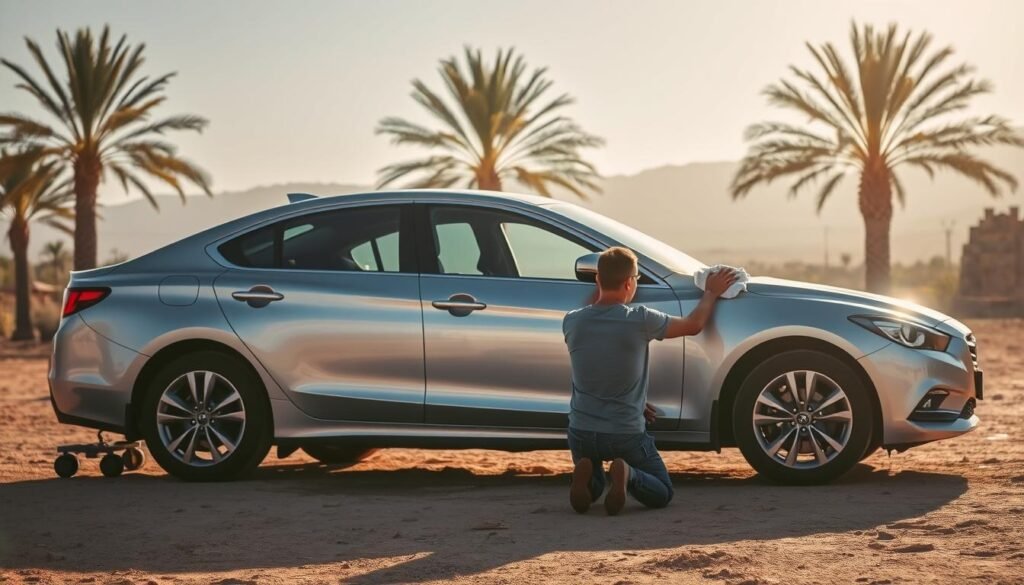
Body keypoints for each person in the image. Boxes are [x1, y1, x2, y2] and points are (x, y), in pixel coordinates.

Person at [562, 246, 738, 515]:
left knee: (594, 488)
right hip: (624, 432)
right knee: (662, 491)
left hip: (581, 431)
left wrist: (639, 401)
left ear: (598, 279)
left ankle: (587, 470)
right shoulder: (640, 319)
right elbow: (693, 325)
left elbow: (598, 367)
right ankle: (628, 473)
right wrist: (711, 292)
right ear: (629, 283)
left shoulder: (572, 321)